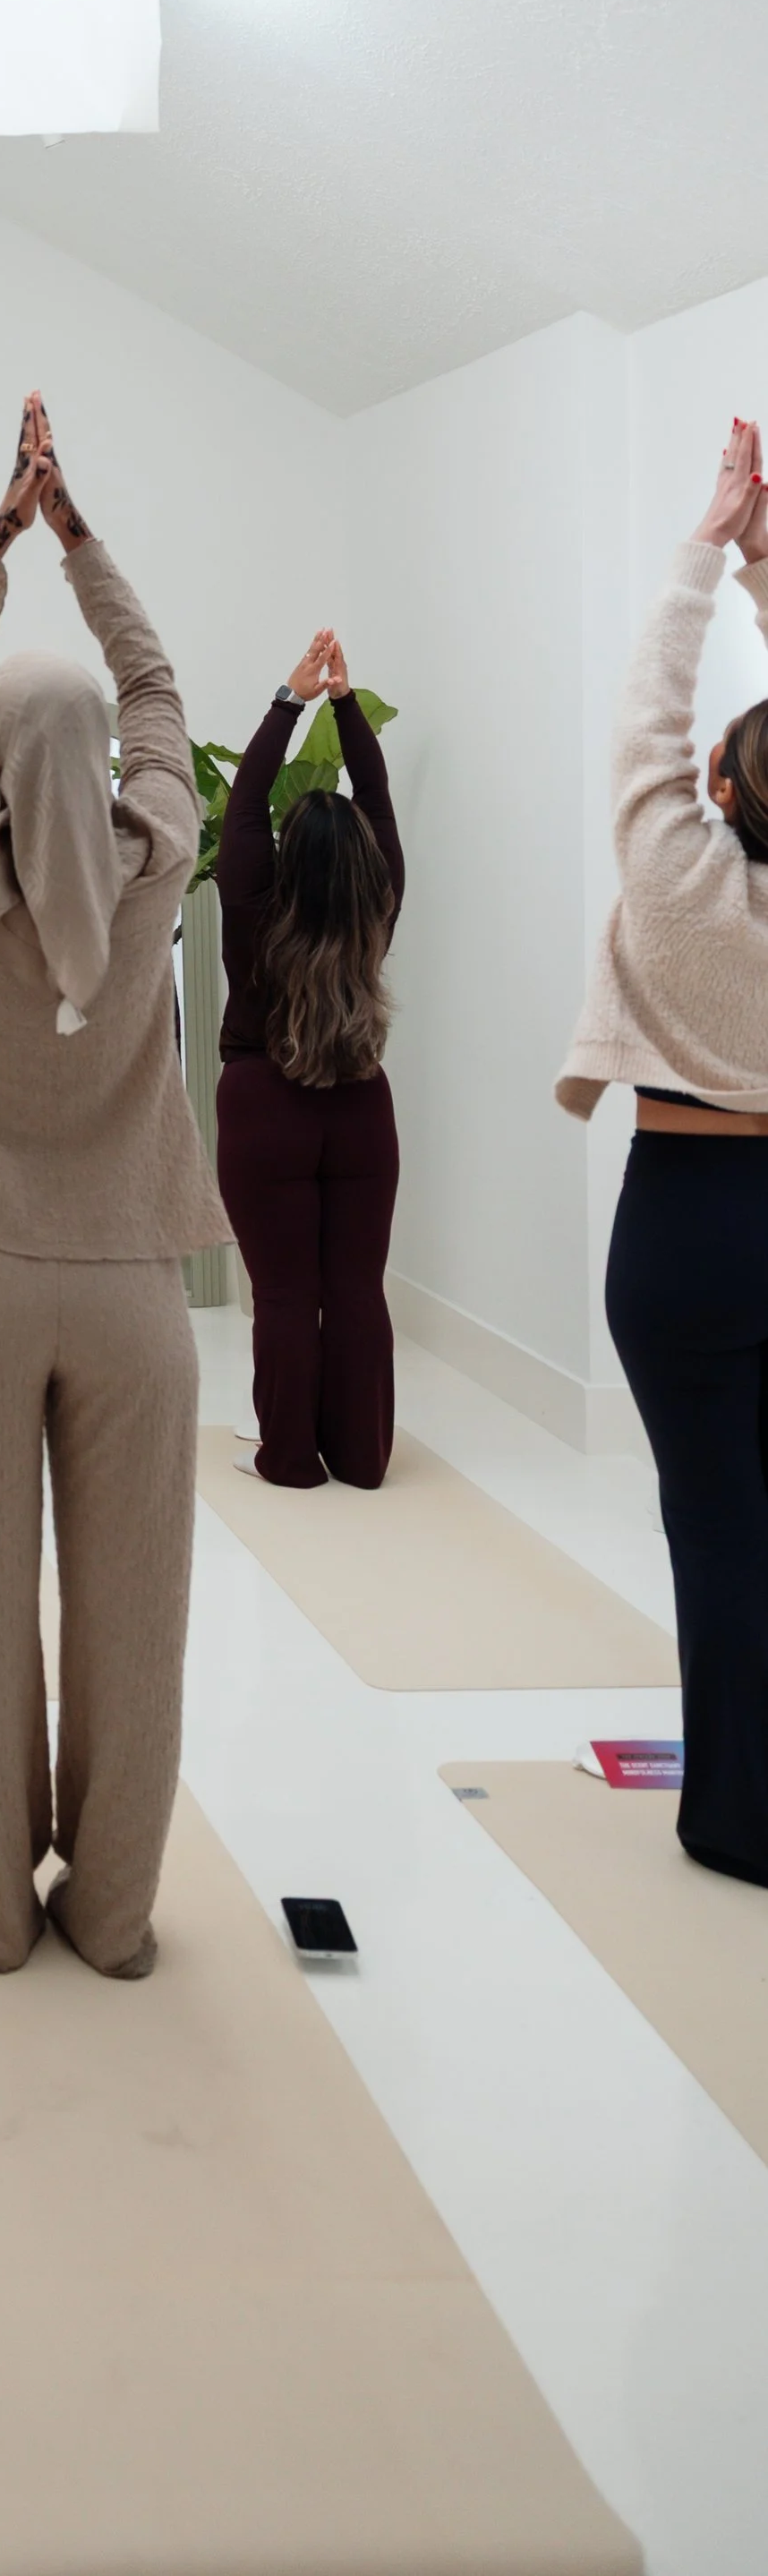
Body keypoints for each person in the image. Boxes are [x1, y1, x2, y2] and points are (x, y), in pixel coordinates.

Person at [0, 393, 226, 1982]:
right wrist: (83, 540)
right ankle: (114, 1912)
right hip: (131, 1284)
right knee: (135, 1622)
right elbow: (154, 686)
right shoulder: (158, 845)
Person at [559, 414, 768, 1890]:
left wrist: (709, 548)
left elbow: (643, 717)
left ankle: (737, 1817)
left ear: (729, 794)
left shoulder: (683, 879)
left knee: (715, 1527)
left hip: (688, 1220)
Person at [215, 628, 404, 1490]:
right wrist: (345, 706)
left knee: (287, 1294)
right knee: (357, 1287)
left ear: (289, 855)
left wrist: (290, 701)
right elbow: (379, 795)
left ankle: (290, 1458)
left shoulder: (256, 902)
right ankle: (362, 1454)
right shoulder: (378, 903)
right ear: (365, 864)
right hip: (362, 1104)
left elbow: (246, 802)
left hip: (263, 1103)